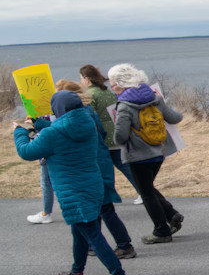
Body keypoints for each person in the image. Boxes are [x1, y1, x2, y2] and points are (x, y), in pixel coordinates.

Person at [13, 91, 135, 275]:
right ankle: (77, 272)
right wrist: (40, 125)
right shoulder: (86, 123)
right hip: (93, 185)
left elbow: (26, 152)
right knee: (80, 229)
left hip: (73, 191)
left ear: (58, 109)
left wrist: (19, 132)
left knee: (92, 234)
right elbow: (61, 130)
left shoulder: (55, 134)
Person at [55, 79, 136, 260]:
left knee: (105, 208)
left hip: (96, 165)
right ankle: (93, 244)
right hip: (101, 161)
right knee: (98, 209)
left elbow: (65, 133)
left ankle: (124, 245)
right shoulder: (88, 112)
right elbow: (103, 133)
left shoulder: (79, 117)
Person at [109, 63, 185, 244]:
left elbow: (119, 137)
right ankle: (171, 214)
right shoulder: (154, 97)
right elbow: (175, 118)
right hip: (158, 152)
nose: (113, 89)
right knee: (148, 188)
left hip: (137, 156)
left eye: (113, 86)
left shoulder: (124, 105)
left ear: (121, 84)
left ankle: (162, 231)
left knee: (146, 193)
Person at [80, 64, 141, 205]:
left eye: (82, 78)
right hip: (115, 132)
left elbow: (91, 115)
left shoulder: (91, 94)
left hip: (104, 137)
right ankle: (142, 191)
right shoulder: (107, 91)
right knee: (125, 166)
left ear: (87, 79)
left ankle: (109, 196)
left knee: (106, 169)